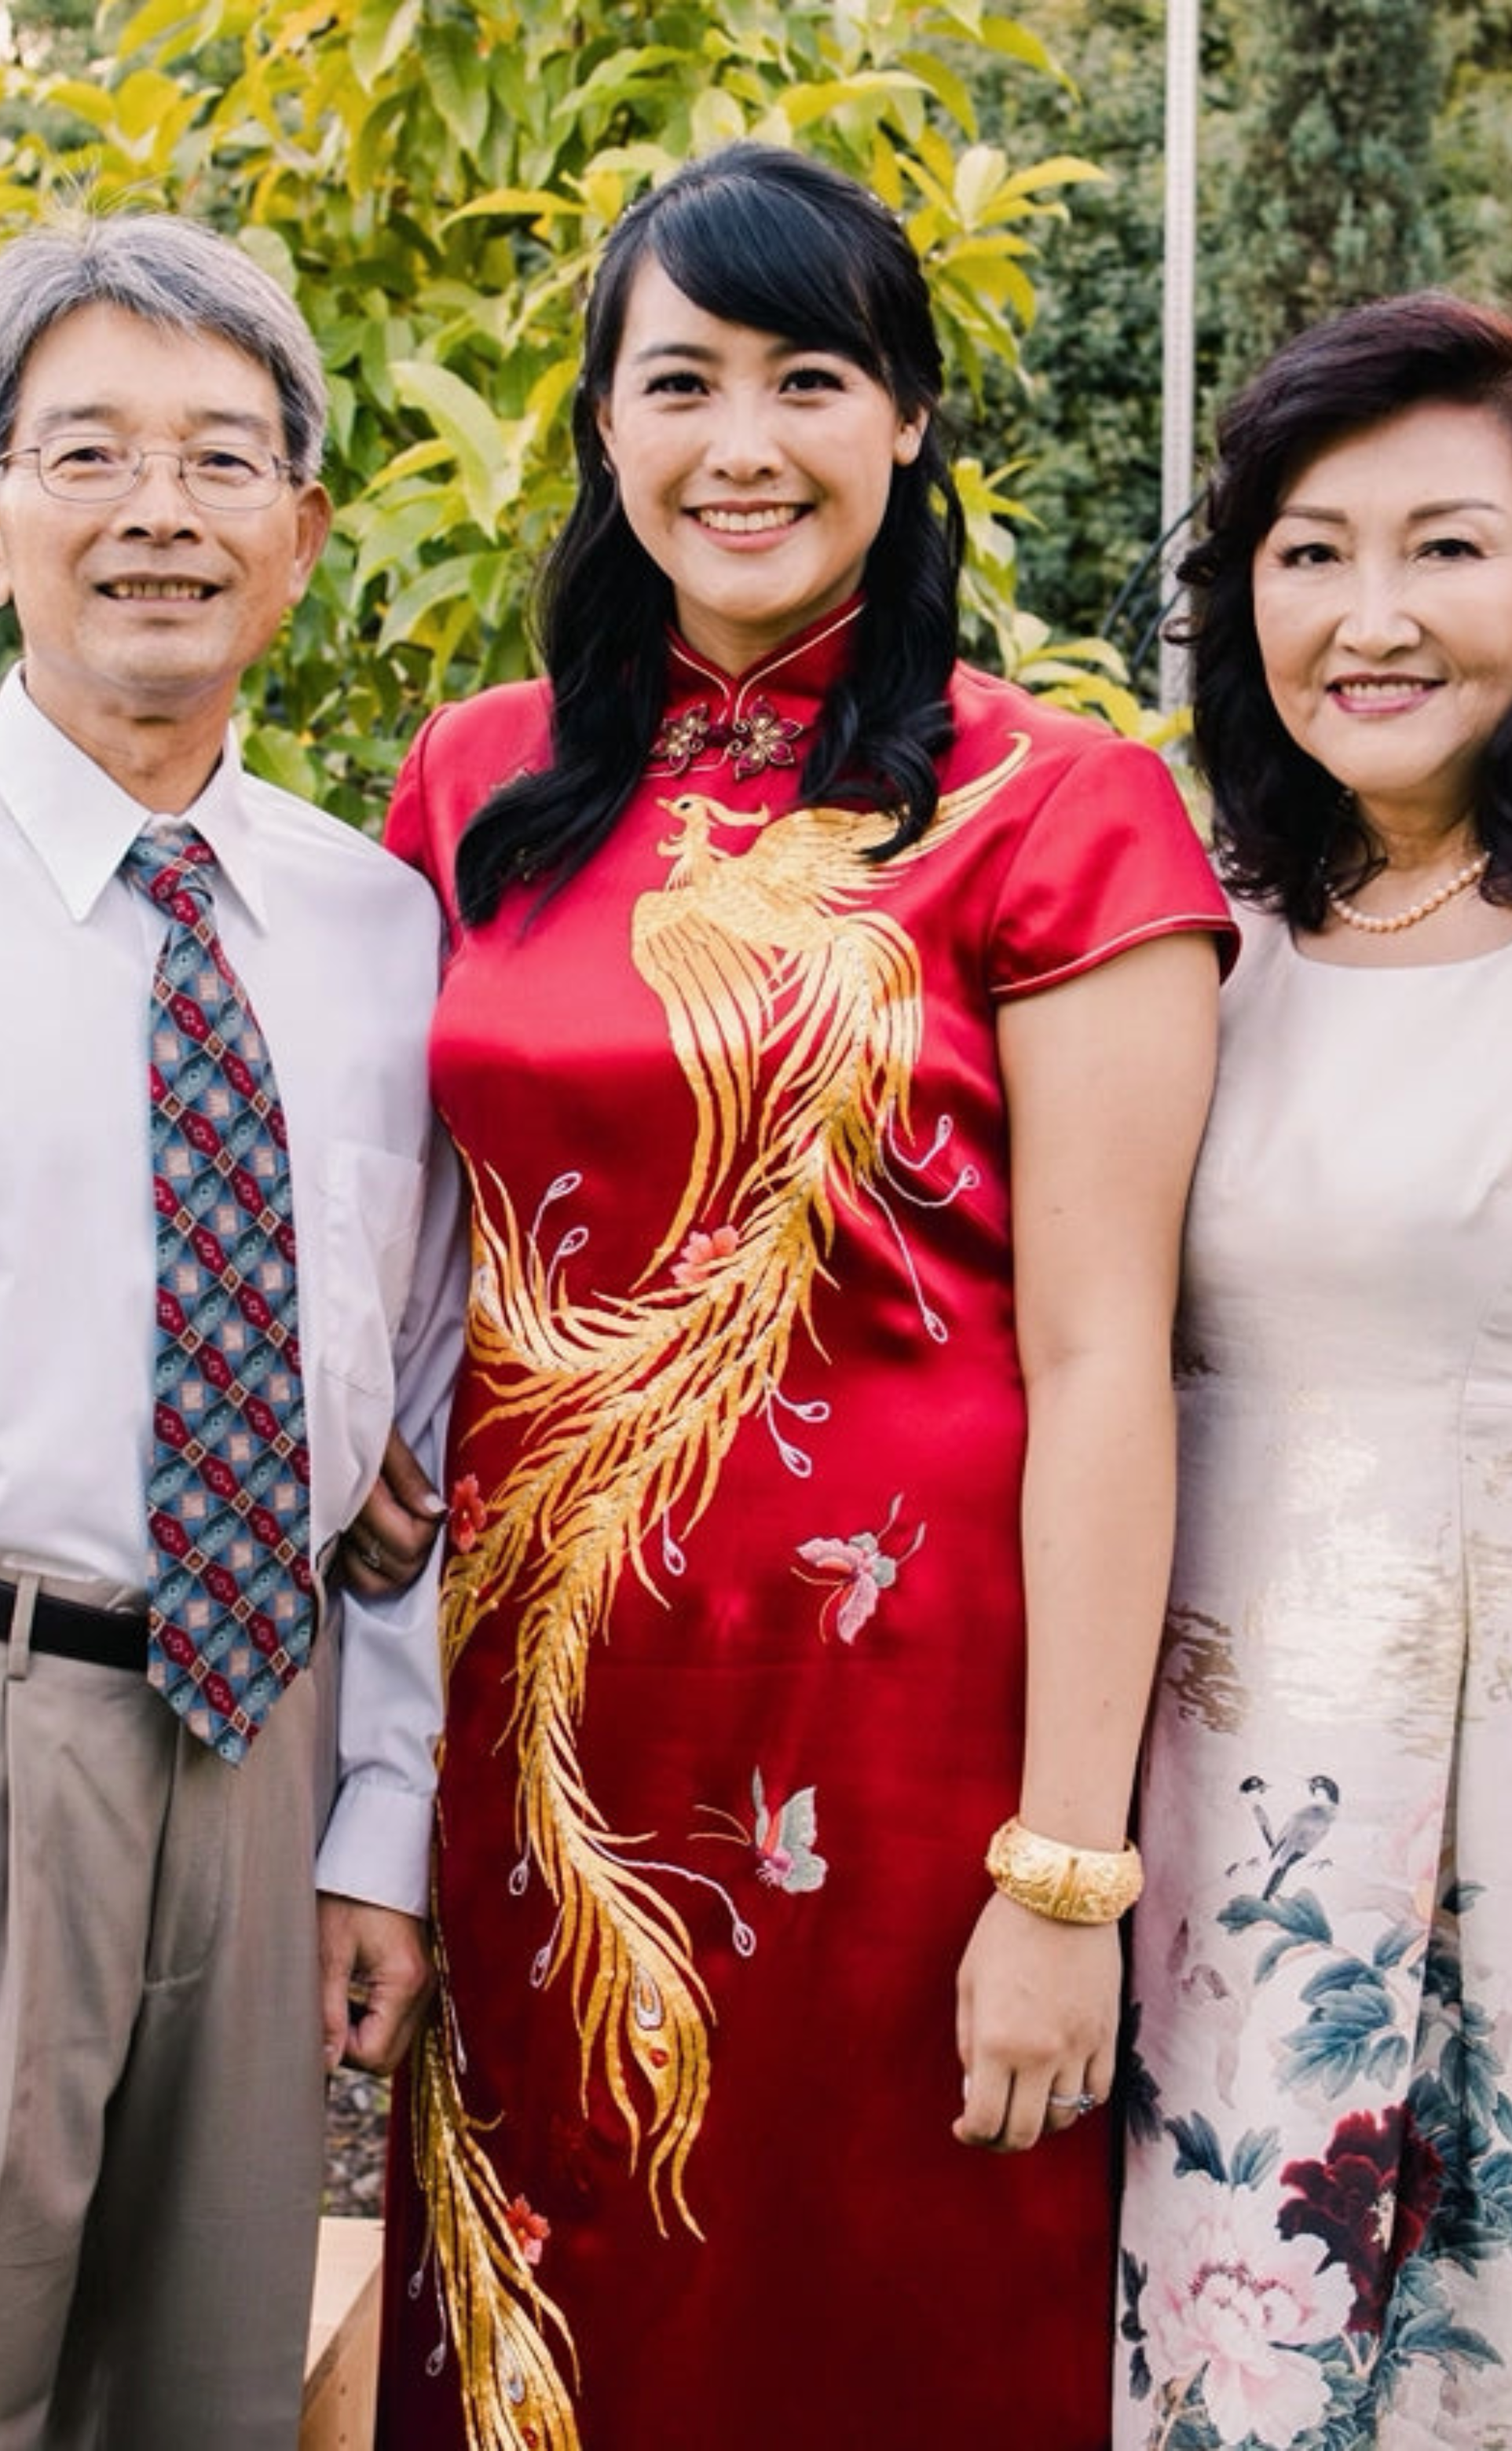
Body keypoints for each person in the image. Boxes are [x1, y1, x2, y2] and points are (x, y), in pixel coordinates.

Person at [368, 141, 1233, 2451]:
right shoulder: (472, 785)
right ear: (603, 424)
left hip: (911, 1743)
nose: (740, 445)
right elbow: (396, 1253)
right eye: (681, 383)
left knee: (881, 2327)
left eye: (810, 379)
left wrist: (1064, 1871)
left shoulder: (1060, 807)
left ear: (914, 418)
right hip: (542, 1715)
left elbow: (1100, 1359)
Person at [1115, 292, 1512, 2449]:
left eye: (1447, 546)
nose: (1370, 615)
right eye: (1309, 550)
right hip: (1222, 1818)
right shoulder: (1186, 923)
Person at [0, 211, 462, 2451]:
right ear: (5, 504)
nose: (154, 514)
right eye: (87, 451)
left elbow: (407, 1430)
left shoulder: (378, 933)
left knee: (204, 2399)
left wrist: (378, 1820)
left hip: (256, 1741)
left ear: (299, 534)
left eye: (216, 460)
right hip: (10, 1719)